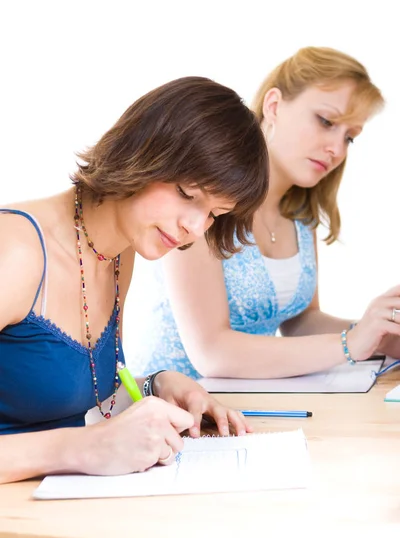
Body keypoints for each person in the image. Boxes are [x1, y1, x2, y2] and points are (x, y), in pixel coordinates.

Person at [0, 76, 269, 484]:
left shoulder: (120, 250)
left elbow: (65, 390)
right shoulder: (17, 252)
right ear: (143, 150)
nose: (195, 228)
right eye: (187, 193)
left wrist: (154, 387)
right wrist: (81, 448)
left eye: (214, 213)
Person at [127, 47, 400, 381]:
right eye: (326, 121)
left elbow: (300, 322)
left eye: (350, 138)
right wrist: (350, 343)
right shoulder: (205, 200)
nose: (337, 149)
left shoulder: (300, 212)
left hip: (255, 406)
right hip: (173, 415)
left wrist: (382, 335)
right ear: (273, 106)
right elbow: (212, 352)